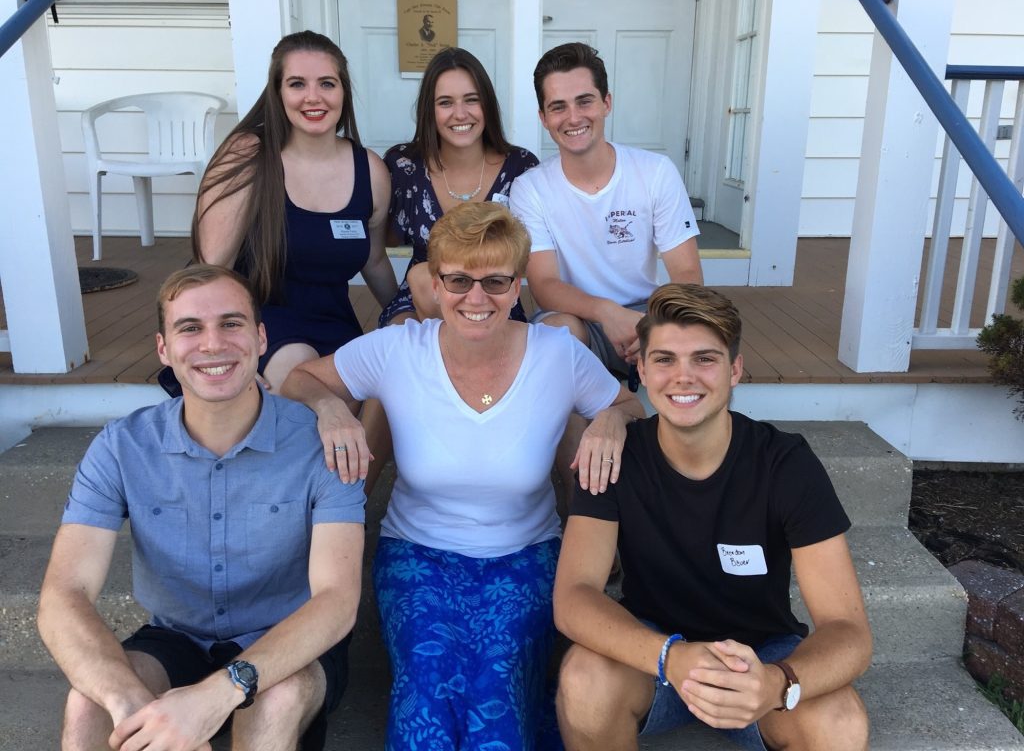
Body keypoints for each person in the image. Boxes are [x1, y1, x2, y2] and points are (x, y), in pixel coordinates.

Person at [283, 202, 645, 750]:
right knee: (428, 693)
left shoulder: (556, 355)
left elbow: (632, 407)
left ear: (519, 284)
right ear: (434, 282)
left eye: (496, 282)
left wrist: (613, 419)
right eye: (458, 280)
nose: (477, 299)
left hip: (527, 555)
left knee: (495, 689)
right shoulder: (397, 351)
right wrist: (332, 409)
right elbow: (298, 379)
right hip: (417, 556)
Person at [38, 265, 366, 751]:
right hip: (176, 637)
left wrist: (218, 694)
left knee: (272, 702)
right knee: (89, 705)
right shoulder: (122, 447)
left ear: (260, 338)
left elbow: (337, 601)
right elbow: (63, 594)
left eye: (231, 324)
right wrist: (134, 709)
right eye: (190, 328)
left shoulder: (322, 444)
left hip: (287, 642)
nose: (212, 344)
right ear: (163, 350)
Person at [552, 284, 872, 751]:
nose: (683, 377)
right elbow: (574, 597)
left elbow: (849, 630)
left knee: (840, 721)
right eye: (663, 359)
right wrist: (670, 656)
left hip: (761, 656)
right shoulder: (615, 457)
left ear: (735, 369)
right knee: (583, 680)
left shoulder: (785, 464)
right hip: (651, 653)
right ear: (641, 368)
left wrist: (776, 682)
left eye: (704, 359)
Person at [192, 30, 398, 392]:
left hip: (335, 322)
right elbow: (212, 264)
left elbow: (376, 260)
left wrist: (404, 318)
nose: (313, 97)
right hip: (260, 322)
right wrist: (223, 347)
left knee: (373, 394)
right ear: (278, 93)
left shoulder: (370, 170)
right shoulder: (250, 154)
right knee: (310, 391)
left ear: (343, 92)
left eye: (327, 83)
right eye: (297, 84)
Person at [509, 41, 704, 376]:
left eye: (584, 101)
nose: (573, 117)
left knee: (707, 331)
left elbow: (688, 276)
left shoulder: (655, 171)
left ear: (606, 103)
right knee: (556, 335)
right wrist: (606, 312)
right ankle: (582, 424)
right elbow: (543, 284)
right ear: (543, 118)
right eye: (558, 107)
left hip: (651, 312)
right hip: (580, 317)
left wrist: (653, 326)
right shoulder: (531, 188)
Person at [379, 46, 538, 327]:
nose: (460, 114)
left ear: (487, 104)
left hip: (494, 297)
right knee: (402, 329)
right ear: (429, 109)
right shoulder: (404, 165)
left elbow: (530, 255)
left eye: (471, 100)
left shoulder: (520, 166)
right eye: (445, 102)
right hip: (423, 297)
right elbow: (381, 239)